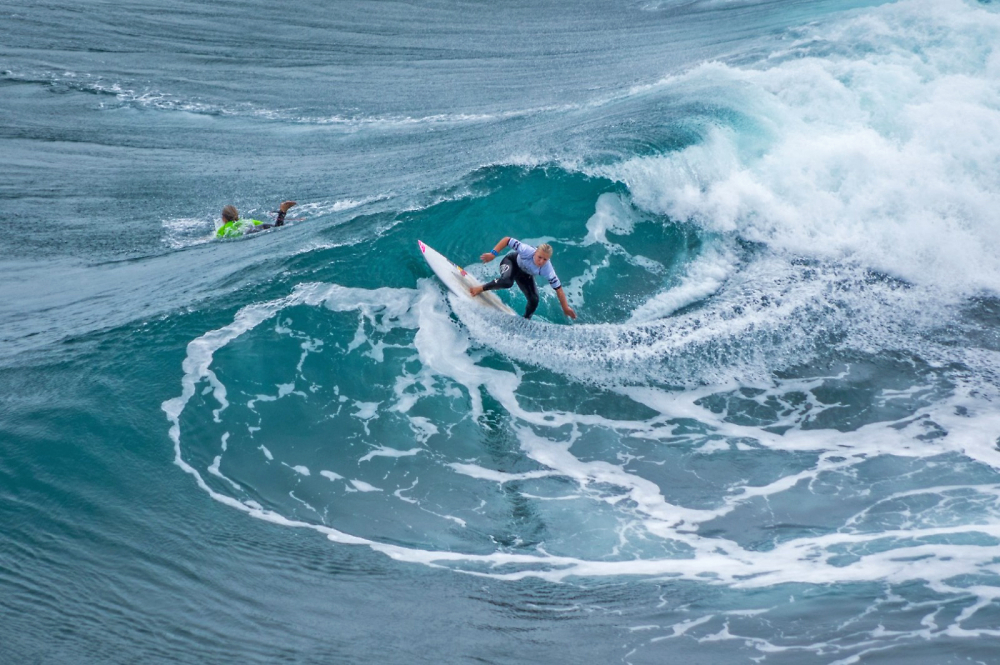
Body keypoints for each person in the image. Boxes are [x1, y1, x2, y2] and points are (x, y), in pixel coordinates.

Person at [470, 237, 576, 320]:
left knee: (534, 300)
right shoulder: (526, 250)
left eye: (545, 259)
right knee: (507, 282)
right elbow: (507, 240)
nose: (541, 261)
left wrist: (565, 307)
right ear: (535, 252)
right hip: (511, 262)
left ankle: (525, 321)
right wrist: (493, 254)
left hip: (525, 275)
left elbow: (559, 290)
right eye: (540, 257)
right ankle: (480, 288)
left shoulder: (548, 270)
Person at [216, 200, 297, 238]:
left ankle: (282, 212)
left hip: (247, 233)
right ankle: (282, 212)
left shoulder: (223, 229)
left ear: (224, 218)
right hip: (255, 227)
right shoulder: (247, 221)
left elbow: (213, 238)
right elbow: (263, 224)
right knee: (276, 227)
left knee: (276, 228)